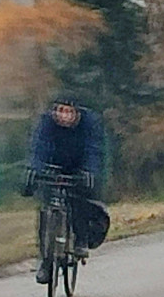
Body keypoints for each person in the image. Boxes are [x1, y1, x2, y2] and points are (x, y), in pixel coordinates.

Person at [22, 98, 107, 284]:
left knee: (79, 202)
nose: (64, 116)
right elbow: (39, 147)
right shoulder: (46, 123)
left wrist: (89, 172)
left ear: (77, 112)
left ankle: (80, 240)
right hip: (53, 167)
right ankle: (45, 260)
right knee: (45, 210)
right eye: (60, 111)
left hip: (79, 168)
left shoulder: (89, 123)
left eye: (69, 112)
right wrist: (34, 169)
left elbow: (93, 149)